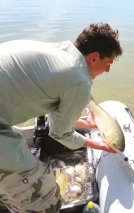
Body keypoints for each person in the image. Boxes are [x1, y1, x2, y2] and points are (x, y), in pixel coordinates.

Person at [0, 22, 122, 213]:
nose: (107, 71)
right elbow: (59, 134)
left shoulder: (60, 52)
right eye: (108, 64)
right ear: (94, 57)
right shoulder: (80, 81)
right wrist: (102, 146)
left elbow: (56, 116)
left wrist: (90, 125)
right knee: (46, 197)